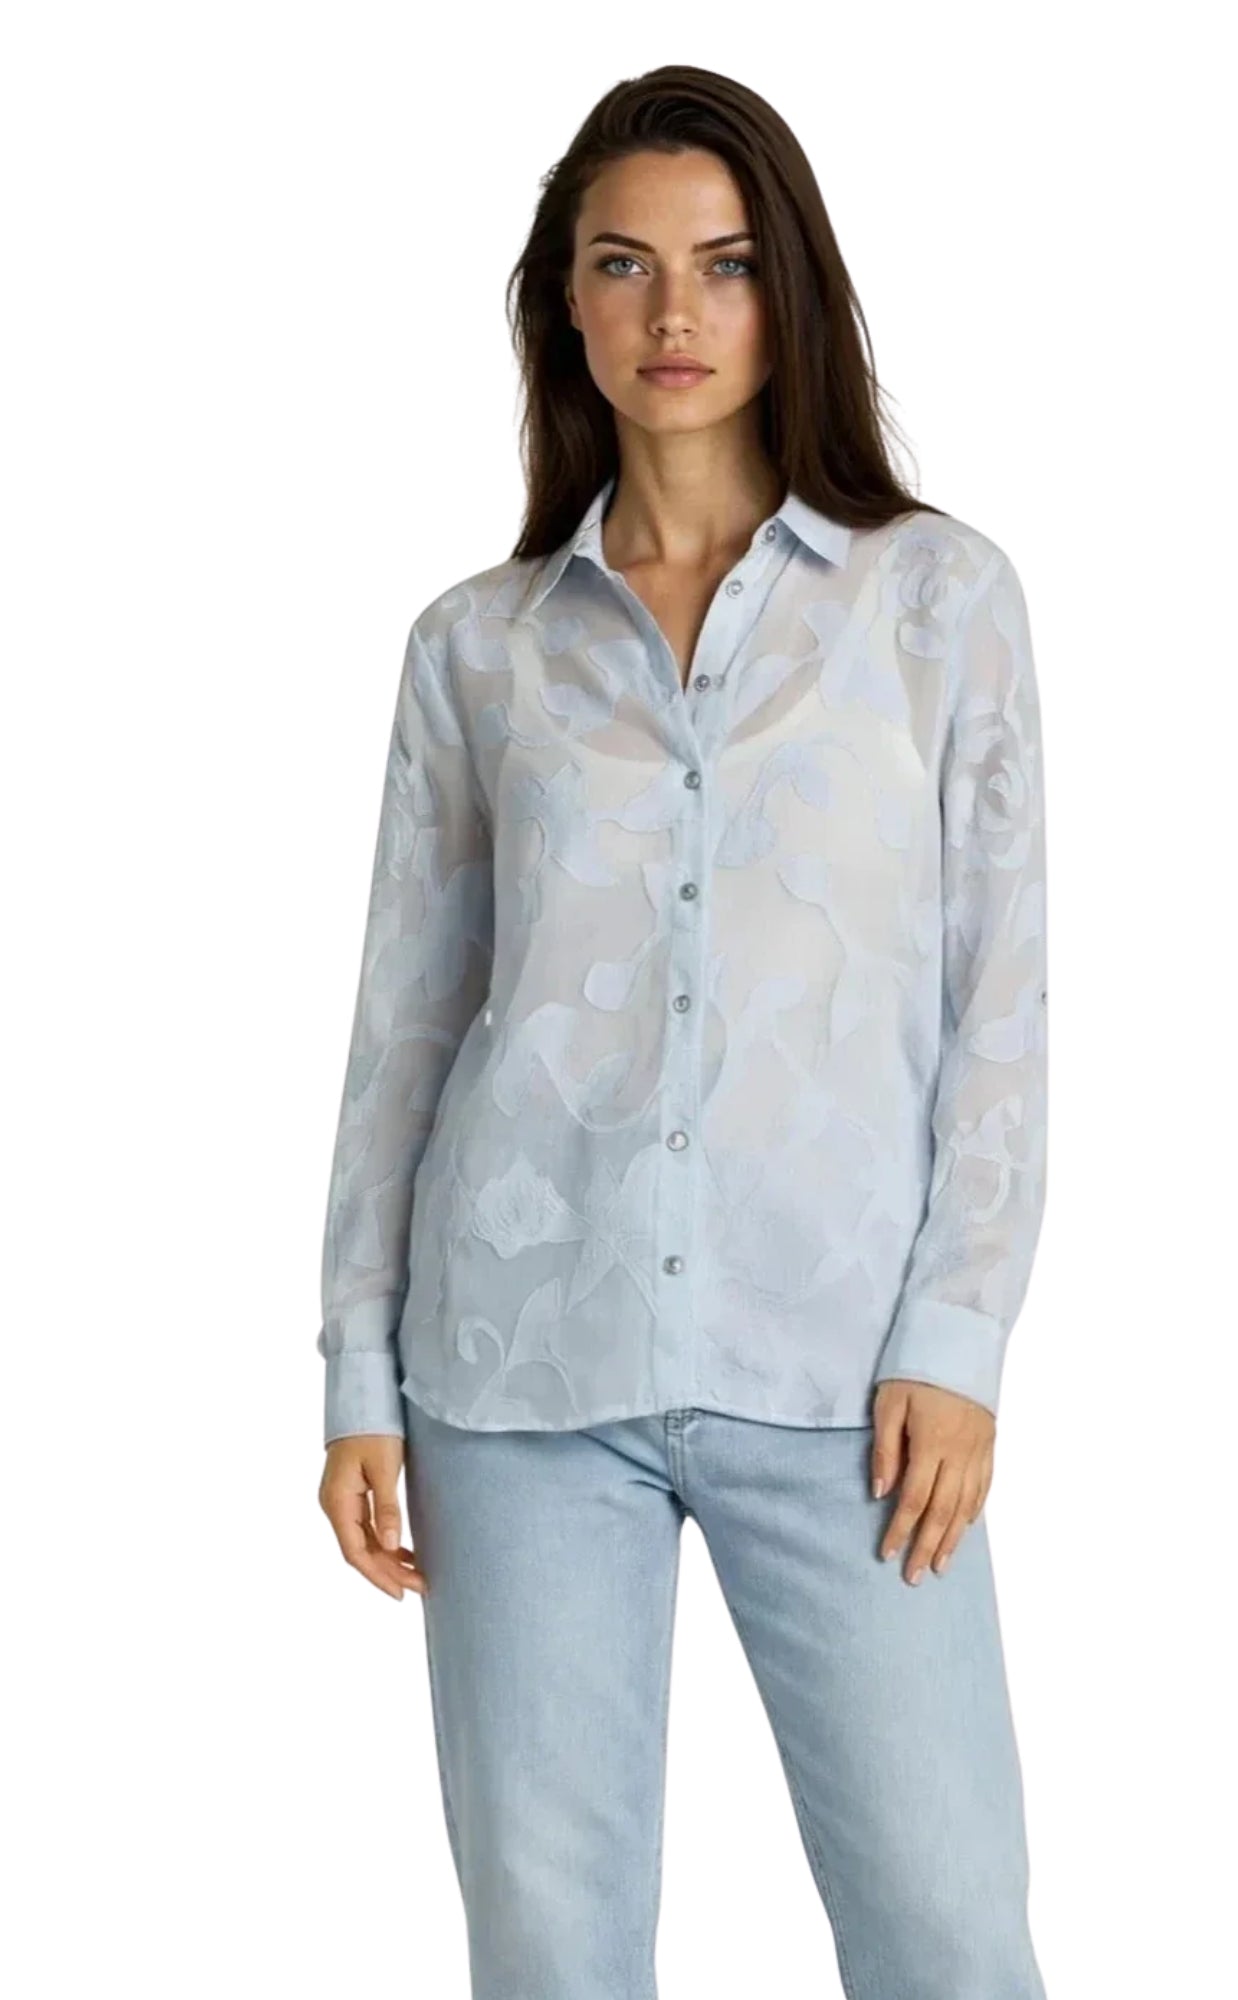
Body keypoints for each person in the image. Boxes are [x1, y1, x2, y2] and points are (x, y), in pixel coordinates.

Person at [315, 62, 1050, 2000]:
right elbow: (407, 1030)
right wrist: (357, 1369)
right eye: (622, 264)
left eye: (722, 265)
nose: (672, 312)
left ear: (785, 291)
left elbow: (997, 996)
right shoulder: (475, 648)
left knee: (947, 1928)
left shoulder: (936, 604)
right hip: (513, 1371)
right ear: (561, 300)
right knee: (549, 1947)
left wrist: (958, 1335)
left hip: (847, 1379)